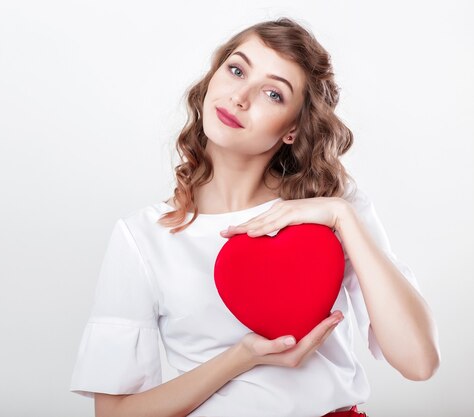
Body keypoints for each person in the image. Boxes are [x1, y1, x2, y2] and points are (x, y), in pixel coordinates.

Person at [69, 17, 440, 417]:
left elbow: (419, 362)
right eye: (236, 70)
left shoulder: (332, 207)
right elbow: (115, 413)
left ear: (293, 130)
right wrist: (243, 357)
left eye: (273, 94)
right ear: (213, 77)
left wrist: (341, 216)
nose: (239, 97)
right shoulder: (143, 236)